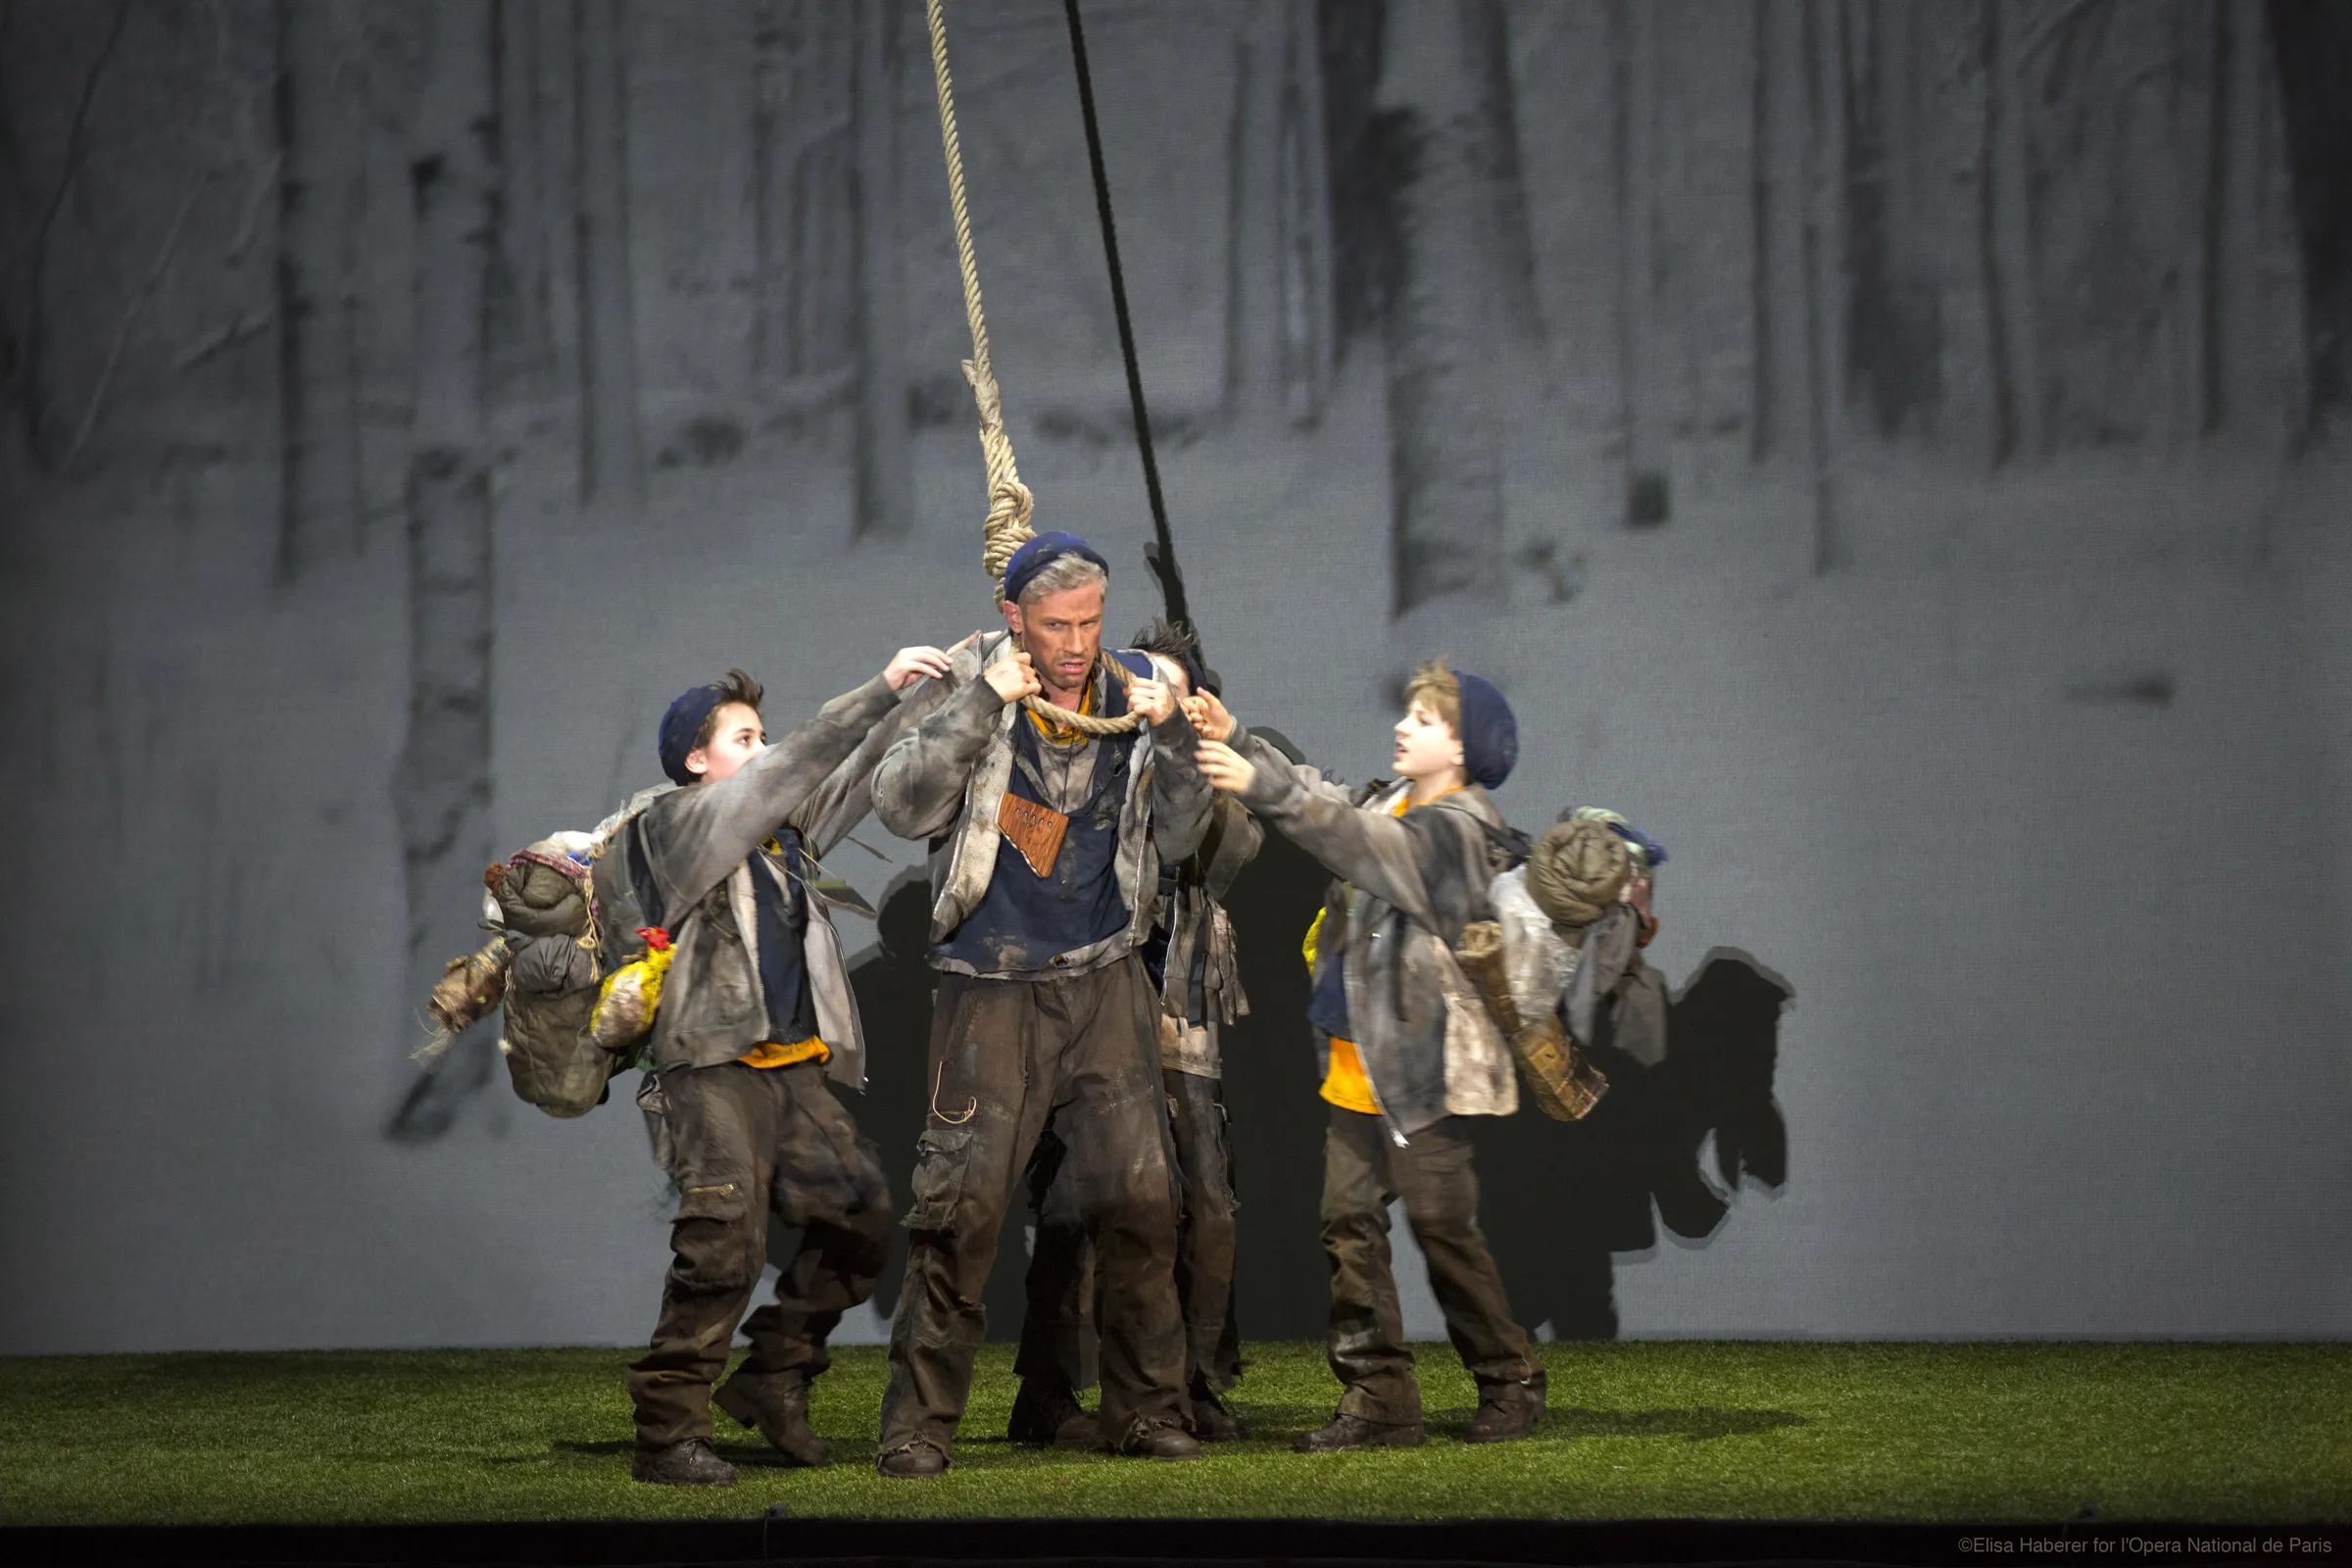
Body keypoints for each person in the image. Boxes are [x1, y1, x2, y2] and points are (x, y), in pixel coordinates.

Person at [868, 533, 1211, 1476]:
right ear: (1015, 616)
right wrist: (985, 703)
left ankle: (1146, 1408)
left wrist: (1173, 732)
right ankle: (918, 1424)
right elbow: (899, 804)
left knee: (1139, 1200)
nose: (1076, 642)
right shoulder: (972, 678)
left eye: (1090, 621)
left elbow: (1182, 834)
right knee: (961, 1210)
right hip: (989, 985)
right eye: (1057, 624)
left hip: (1102, 978)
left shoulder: (1139, 691)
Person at [596, 647, 955, 1488]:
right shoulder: (676, 826)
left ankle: (774, 1377)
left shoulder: (777, 832)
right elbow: (804, 757)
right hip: (709, 1067)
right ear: (696, 759)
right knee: (722, 1243)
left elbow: (856, 770)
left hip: (790, 1067)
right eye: (742, 737)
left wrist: (938, 688)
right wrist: (879, 684)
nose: (763, 749)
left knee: (863, 1215)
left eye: (762, 735)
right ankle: (668, 1430)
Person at [1191, 660, 1547, 1450]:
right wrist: (1236, 737)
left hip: (1421, 1070)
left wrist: (1260, 782)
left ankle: (1509, 1375)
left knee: (1442, 1226)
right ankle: (1380, 1394)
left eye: (1422, 721)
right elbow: (1329, 796)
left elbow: (1355, 839)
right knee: (1347, 1223)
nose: (1402, 727)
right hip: (1362, 1066)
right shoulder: (1398, 800)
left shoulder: (1458, 831)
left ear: (1461, 747)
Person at [1007, 618, 1260, 1446]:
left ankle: (1193, 1382)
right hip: (1082, 1008)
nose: (1148, 702)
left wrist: (1197, 755)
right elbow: (1029, 850)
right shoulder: (1071, 764)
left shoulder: (1207, 777)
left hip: (1178, 1009)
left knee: (1207, 1206)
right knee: (1080, 1207)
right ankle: (1048, 1391)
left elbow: (1224, 855)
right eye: (1139, 687)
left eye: (1170, 693)